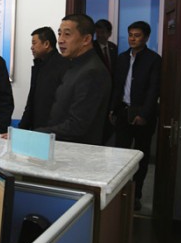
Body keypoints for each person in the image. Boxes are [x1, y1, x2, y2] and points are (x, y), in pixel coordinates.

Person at [34, 14, 111, 145]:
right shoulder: (74, 65)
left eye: (67, 34)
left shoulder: (92, 72)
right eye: (59, 34)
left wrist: (34, 134)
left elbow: (77, 125)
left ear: (86, 39)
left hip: (79, 150)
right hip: (61, 145)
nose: (60, 40)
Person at [110, 21, 161, 210]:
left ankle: (136, 195)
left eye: (137, 35)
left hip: (142, 114)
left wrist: (144, 114)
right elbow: (117, 86)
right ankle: (118, 193)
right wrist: (112, 109)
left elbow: (154, 90)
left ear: (146, 38)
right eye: (130, 35)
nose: (132, 38)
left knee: (141, 156)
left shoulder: (153, 59)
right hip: (123, 111)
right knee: (120, 155)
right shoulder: (122, 58)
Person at [18, 26, 68, 130]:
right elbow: (31, 101)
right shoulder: (40, 65)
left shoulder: (62, 66)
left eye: (34, 43)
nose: (31, 47)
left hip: (51, 130)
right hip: (38, 129)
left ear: (46, 44)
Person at [92, 18, 118, 144]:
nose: (99, 35)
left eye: (102, 32)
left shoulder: (113, 47)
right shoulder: (91, 47)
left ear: (109, 33)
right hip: (96, 92)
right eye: (97, 32)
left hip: (111, 92)